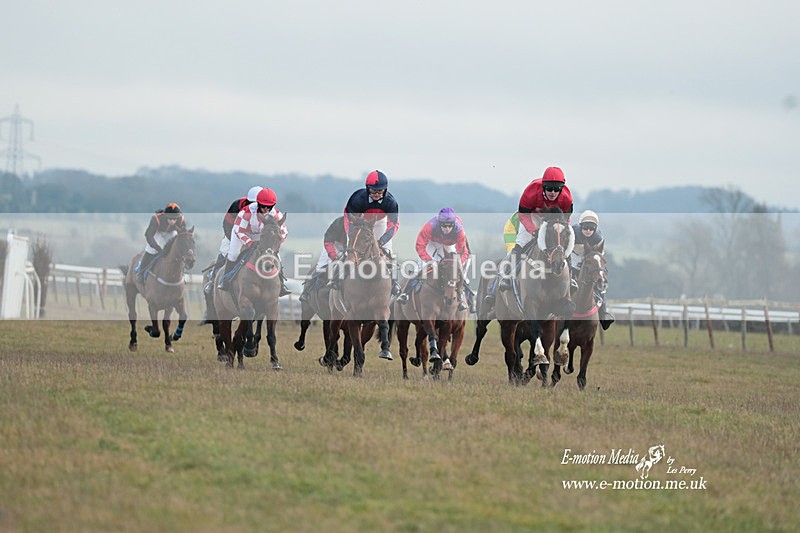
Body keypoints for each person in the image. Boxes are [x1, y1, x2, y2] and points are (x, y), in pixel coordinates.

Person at [485, 166, 574, 304]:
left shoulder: (567, 198)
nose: (552, 192)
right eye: (549, 188)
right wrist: (534, 231)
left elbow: (566, 220)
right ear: (543, 186)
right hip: (531, 217)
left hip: (553, 221)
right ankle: (505, 278)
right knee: (520, 245)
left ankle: (571, 279)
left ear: (561, 188)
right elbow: (523, 215)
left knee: (561, 248)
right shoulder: (531, 192)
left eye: (556, 189)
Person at [335, 170, 401, 296]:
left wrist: (382, 241)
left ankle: (393, 283)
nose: (376, 194)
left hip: (381, 223)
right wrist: (352, 235)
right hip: (359, 222)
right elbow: (349, 219)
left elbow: (393, 224)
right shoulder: (358, 199)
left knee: (388, 252)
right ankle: (338, 277)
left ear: (385, 190)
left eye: (380, 191)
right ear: (367, 189)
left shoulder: (391, 202)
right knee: (351, 248)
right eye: (373, 191)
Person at [201, 186, 262, 322]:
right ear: (247, 201)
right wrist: (241, 241)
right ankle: (213, 279)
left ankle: (280, 282)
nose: (255, 207)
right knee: (226, 252)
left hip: (256, 238)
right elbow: (227, 225)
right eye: (252, 204)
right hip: (234, 234)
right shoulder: (237, 206)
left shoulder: (266, 209)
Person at [398, 207, 474, 311]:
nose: (447, 228)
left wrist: (458, 263)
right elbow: (420, 246)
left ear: (454, 223)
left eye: (450, 225)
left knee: (460, 273)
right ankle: (405, 294)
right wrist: (429, 260)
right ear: (439, 223)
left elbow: (463, 251)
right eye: (444, 225)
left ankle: (466, 299)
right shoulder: (430, 226)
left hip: (448, 245)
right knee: (419, 269)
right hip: (431, 243)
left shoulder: (459, 230)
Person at [217, 188, 289, 293]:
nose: (265, 209)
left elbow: (284, 233)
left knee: (276, 256)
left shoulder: (277, 215)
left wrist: (274, 244)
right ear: (258, 203)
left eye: (269, 207)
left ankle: (282, 285)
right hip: (241, 232)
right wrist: (249, 242)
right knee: (233, 253)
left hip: (261, 235)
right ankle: (225, 279)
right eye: (263, 206)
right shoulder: (246, 212)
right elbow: (239, 230)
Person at [570, 210, 614, 330]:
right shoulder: (572, 232)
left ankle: (603, 316)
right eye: (585, 227)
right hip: (573, 256)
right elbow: (566, 249)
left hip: (590, 258)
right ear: (580, 226)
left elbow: (599, 255)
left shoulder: (598, 237)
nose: (588, 231)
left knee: (602, 284)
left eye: (592, 228)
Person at [298, 215, 346, 304]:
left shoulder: (362, 223)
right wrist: (333, 255)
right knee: (321, 266)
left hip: (350, 247)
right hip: (334, 245)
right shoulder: (339, 222)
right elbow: (328, 240)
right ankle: (306, 292)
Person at [137, 202, 186, 284]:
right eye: (170, 219)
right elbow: (149, 235)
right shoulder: (156, 218)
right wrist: (159, 249)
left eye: (174, 219)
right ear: (165, 215)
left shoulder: (181, 219)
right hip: (158, 231)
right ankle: (140, 272)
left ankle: (182, 273)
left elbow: (183, 235)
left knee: (176, 248)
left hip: (171, 232)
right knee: (151, 250)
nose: (172, 221)